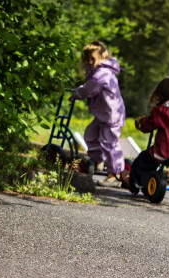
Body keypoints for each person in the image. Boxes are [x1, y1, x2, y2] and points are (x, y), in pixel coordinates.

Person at [72, 41, 126, 187]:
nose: (89, 62)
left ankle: (114, 175)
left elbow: (92, 87)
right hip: (103, 114)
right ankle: (98, 161)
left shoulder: (103, 72)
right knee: (90, 135)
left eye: (92, 59)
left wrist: (78, 93)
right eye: (87, 59)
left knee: (109, 144)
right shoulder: (96, 71)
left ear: (102, 57)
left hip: (112, 115)